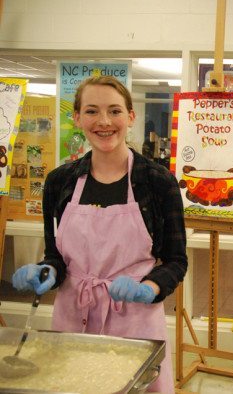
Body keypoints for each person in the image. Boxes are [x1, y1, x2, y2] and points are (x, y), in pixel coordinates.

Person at [12, 75, 187, 394]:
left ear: (130, 117)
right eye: (92, 111)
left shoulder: (157, 182)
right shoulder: (59, 181)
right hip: (73, 316)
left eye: (115, 111)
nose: (104, 122)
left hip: (134, 320)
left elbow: (176, 261)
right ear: (77, 117)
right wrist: (47, 270)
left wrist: (148, 287)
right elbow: (56, 255)